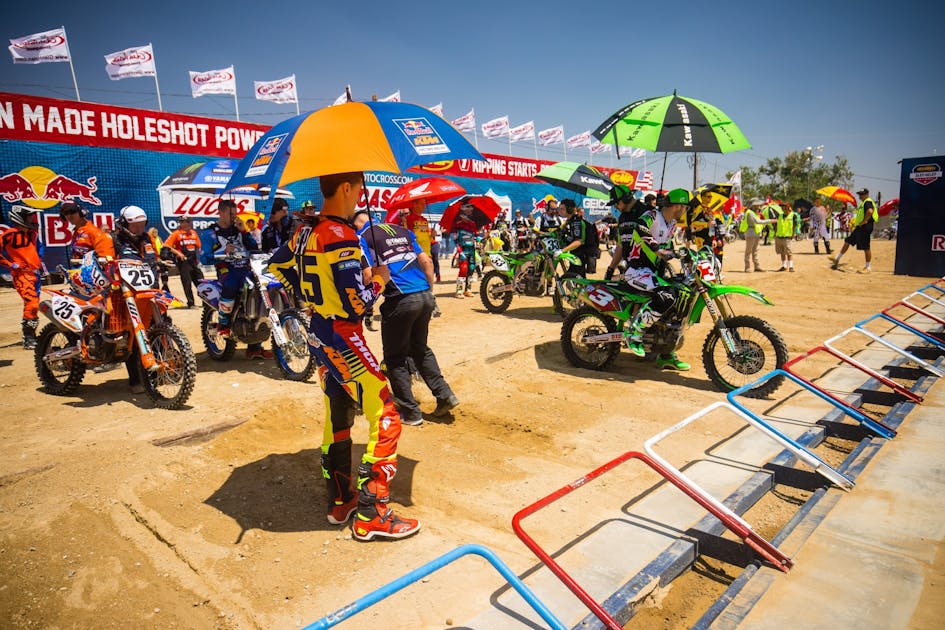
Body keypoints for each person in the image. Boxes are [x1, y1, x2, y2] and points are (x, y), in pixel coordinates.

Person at [268, 171, 420, 541]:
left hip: (319, 332)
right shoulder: (340, 235)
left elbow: (277, 266)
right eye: (360, 188)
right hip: (343, 334)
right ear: (347, 188)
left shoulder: (305, 231)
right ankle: (372, 513)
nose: (361, 195)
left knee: (337, 410)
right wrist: (380, 279)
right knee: (386, 413)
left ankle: (341, 499)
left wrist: (309, 297)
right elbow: (357, 303)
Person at [353, 210, 458, 426]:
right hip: (425, 295)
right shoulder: (402, 231)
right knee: (420, 349)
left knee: (394, 358)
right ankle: (445, 395)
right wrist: (429, 292)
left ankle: (411, 412)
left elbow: (367, 275)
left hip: (400, 299)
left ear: (355, 225)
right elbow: (427, 262)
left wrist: (366, 297)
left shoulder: (362, 237)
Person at [622, 188, 690, 370]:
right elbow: (640, 227)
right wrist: (658, 249)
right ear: (677, 205)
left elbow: (668, 246)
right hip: (637, 270)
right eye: (685, 207)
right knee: (666, 296)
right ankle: (634, 333)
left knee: (679, 298)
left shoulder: (672, 224)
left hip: (655, 272)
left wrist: (684, 255)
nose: (686, 211)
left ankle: (666, 353)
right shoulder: (652, 215)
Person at [209, 199, 272, 360]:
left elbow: (254, 248)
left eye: (235, 213)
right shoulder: (211, 231)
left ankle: (255, 346)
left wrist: (244, 232)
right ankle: (223, 323)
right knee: (231, 283)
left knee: (258, 291)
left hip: (245, 267)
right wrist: (223, 251)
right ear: (221, 212)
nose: (234, 216)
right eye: (231, 213)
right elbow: (205, 256)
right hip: (226, 268)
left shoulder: (238, 229)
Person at [0, 206, 43, 349]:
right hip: (22, 274)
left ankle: (30, 335)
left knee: (34, 304)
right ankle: (29, 337)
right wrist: (10, 264)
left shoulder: (32, 233)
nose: (32, 219)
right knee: (32, 303)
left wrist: (39, 263)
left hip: (35, 273)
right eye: (29, 216)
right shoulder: (9, 234)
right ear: (21, 217)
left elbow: (38, 249)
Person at [604, 185, 647, 280]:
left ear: (626, 198)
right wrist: (611, 269)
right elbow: (620, 245)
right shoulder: (622, 218)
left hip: (649, 271)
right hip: (631, 270)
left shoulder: (646, 213)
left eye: (616, 203)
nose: (615, 207)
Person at [831, 188, 877, 273]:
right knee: (848, 241)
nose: (860, 196)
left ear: (867, 194)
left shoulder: (868, 202)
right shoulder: (864, 203)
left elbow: (870, 211)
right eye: (859, 194)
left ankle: (868, 267)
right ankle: (837, 258)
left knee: (866, 246)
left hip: (865, 227)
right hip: (860, 227)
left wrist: (864, 221)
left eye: (862, 194)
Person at [163, 216, 204, 308]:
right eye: (182, 222)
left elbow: (198, 246)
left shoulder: (193, 233)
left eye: (186, 222)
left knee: (200, 281)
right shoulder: (176, 234)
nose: (185, 224)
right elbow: (166, 245)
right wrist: (178, 253)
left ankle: (206, 302)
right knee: (187, 282)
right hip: (183, 262)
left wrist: (198, 257)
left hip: (193, 261)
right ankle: (191, 303)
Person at [449, 202, 479, 298]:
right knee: (463, 268)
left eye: (471, 209)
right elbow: (455, 239)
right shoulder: (457, 224)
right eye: (468, 208)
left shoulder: (473, 224)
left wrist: (477, 240)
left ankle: (468, 289)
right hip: (463, 249)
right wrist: (459, 250)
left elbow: (475, 236)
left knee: (471, 268)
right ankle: (459, 290)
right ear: (463, 210)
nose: (471, 210)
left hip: (472, 249)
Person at [556, 199, 590, 277]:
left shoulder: (577, 222)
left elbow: (578, 241)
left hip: (580, 254)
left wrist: (562, 250)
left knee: (577, 277)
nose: (560, 211)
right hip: (574, 253)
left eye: (562, 209)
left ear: (569, 209)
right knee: (572, 277)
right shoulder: (569, 221)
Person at [740, 199, 775, 272]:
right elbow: (757, 221)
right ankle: (747, 267)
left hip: (756, 233)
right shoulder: (750, 213)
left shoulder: (755, 213)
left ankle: (757, 266)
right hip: (750, 233)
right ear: (753, 205)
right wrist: (770, 220)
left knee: (755, 250)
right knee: (748, 251)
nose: (759, 207)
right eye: (757, 205)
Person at [772, 203, 799, 272]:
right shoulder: (779, 216)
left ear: (788, 208)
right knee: (782, 252)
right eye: (782, 208)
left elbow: (795, 225)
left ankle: (791, 267)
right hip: (779, 236)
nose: (783, 209)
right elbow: (775, 224)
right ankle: (784, 266)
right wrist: (775, 233)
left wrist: (793, 234)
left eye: (784, 207)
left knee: (789, 252)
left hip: (787, 237)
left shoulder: (793, 215)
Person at [147, 226, 171, 292]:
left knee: (164, 272)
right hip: (153, 258)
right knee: (155, 274)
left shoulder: (159, 238)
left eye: (156, 232)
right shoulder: (149, 239)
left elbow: (162, 245)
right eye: (154, 232)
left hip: (160, 258)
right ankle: (154, 288)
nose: (155, 233)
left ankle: (165, 286)